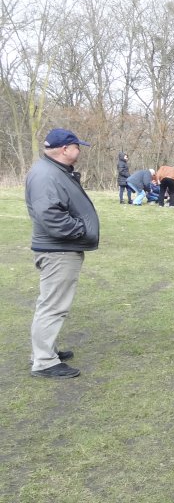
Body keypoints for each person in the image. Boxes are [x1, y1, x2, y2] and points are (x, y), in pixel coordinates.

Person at [24, 128, 100, 379]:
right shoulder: (46, 175)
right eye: (77, 146)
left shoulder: (53, 171)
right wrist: (81, 230)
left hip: (60, 248)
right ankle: (44, 362)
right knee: (53, 306)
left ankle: (45, 350)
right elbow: (50, 216)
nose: (80, 151)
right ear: (65, 149)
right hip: (58, 251)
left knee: (51, 302)